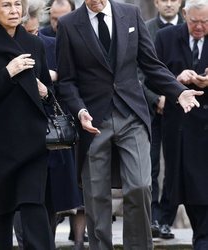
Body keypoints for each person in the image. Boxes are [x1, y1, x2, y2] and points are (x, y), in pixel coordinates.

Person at [56, 0, 203, 249]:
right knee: (96, 196)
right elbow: (67, 80)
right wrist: (80, 110)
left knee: (140, 185)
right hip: (92, 120)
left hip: (132, 114)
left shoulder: (130, 13)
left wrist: (178, 92)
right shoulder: (69, 24)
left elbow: (151, 63)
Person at [0, 0, 55, 249]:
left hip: (32, 143)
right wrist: (8, 72)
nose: (15, 10)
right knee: (2, 219)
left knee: (34, 209)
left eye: (18, 4)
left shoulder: (34, 44)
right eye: (6, 5)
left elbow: (50, 93)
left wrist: (46, 92)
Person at [21, 2, 87, 250]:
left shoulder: (51, 44)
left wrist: (52, 78)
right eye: (27, 33)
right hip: (19, 131)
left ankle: (65, 239)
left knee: (52, 195)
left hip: (52, 130)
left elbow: (70, 79)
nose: (33, 37)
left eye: (35, 32)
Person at [154, 0, 208, 249]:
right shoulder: (165, 37)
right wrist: (176, 81)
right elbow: (150, 74)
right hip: (179, 126)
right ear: (185, 15)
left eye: (205, 22)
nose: (199, 27)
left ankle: (202, 239)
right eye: (194, 21)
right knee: (186, 186)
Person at [141, 0, 183, 239]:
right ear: (156, 3)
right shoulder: (145, 28)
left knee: (175, 164)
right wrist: (156, 98)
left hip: (181, 110)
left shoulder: (192, 27)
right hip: (150, 108)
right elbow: (137, 71)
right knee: (151, 165)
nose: (168, 4)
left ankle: (166, 217)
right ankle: (153, 217)